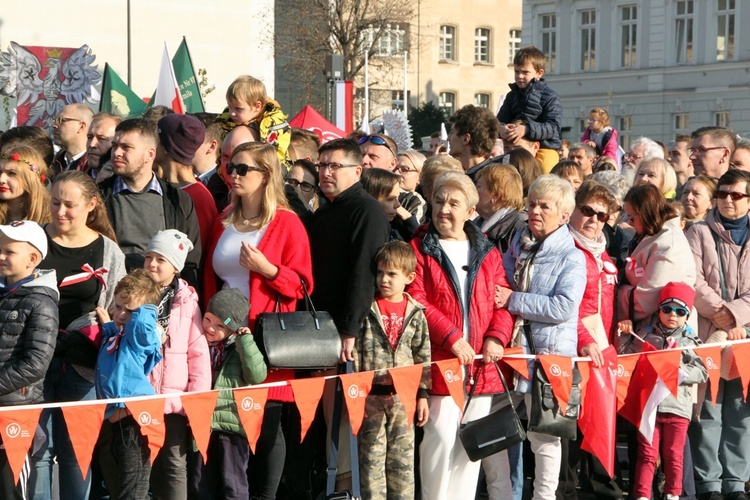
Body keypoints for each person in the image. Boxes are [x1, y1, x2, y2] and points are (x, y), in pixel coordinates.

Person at [203, 142, 313, 499]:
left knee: (266, 427)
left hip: (265, 336)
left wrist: (269, 270)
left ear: (266, 176)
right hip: (222, 337)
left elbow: (302, 285)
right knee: (225, 428)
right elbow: (211, 278)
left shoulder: (286, 222)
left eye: (243, 169)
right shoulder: (224, 220)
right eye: (230, 168)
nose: (233, 175)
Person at [408, 171, 513, 500]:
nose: (443, 209)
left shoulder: (488, 252)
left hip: (480, 367)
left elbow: (503, 301)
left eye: (454, 203)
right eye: (438, 201)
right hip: (441, 364)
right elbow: (416, 300)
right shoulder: (419, 248)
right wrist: (451, 336)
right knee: (438, 441)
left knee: (470, 451)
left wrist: (496, 337)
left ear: (471, 211)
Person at [32, 171, 126, 499]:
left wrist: (111, 324)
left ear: (91, 205)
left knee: (76, 453)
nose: (60, 212)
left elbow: (123, 304)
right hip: (35, 360)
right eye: (55, 202)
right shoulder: (34, 240)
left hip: (83, 363)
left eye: (69, 205)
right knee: (37, 451)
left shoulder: (108, 250)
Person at [495, 174, 587, 500]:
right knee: (496, 425)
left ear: (564, 215)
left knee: (544, 436)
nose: (534, 211)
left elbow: (563, 307)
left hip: (549, 358)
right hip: (513, 352)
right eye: (531, 204)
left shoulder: (573, 257)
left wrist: (513, 300)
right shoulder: (516, 244)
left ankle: (544, 497)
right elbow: (498, 281)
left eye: (544, 206)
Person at [686, 168, 750, 500]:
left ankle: (736, 483)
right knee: (708, 407)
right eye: (722, 193)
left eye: (736, 195)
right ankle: (709, 483)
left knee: (740, 409)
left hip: (745, 336)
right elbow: (692, 280)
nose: (727, 200)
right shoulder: (697, 231)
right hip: (708, 334)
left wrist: (737, 316)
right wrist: (723, 314)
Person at [353, 241, 430, 500]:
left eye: (392, 274)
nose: (384, 279)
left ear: (409, 278)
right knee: (371, 463)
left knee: (402, 464)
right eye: (380, 272)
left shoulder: (416, 313)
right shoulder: (367, 309)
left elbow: (423, 357)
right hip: (370, 398)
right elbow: (356, 354)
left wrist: (422, 395)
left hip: (403, 399)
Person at [618, 282, 707, 500]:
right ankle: (642, 495)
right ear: (659, 310)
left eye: (680, 311)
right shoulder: (645, 336)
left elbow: (702, 372)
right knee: (647, 454)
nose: (672, 315)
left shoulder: (690, 341)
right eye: (667, 309)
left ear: (687, 315)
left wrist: (678, 371)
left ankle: (673, 494)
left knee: (674, 455)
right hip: (650, 406)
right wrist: (623, 333)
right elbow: (625, 359)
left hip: (678, 407)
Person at [143, 230, 211, 500]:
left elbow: (198, 354)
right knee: (140, 465)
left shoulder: (187, 303)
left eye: (161, 259)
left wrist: (197, 401)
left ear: (176, 267)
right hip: (141, 396)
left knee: (173, 463)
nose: (152, 264)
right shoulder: (134, 295)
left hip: (174, 402)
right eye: (148, 257)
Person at [309, 138, 390, 360]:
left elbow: (365, 272)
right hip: (318, 323)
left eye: (334, 166)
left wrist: (349, 328)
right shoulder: (325, 211)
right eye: (322, 165)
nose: (325, 172)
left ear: (357, 171)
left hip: (344, 331)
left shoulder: (367, 211)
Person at [98, 118, 202, 288]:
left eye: (126, 147)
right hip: (114, 297)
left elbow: (191, 261)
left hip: (163, 300)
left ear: (150, 154)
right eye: (115, 146)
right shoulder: (97, 197)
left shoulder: (177, 200)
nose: (116, 153)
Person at [0, 221, 58, 499]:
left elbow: (36, 363)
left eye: (9, 251)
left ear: (32, 260)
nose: (0, 256)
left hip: (16, 410)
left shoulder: (41, 302)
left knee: (11, 486)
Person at [191, 288, 267, 498]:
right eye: (207, 319)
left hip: (232, 425)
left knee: (233, 484)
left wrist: (246, 343)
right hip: (203, 426)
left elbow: (257, 375)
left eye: (220, 326)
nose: (210, 328)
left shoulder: (238, 348)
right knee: (200, 484)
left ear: (233, 329)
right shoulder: (196, 344)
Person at [93, 269, 163, 500]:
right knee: (115, 490)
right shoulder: (115, 334)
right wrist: (109, 321)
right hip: (110, 422)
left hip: (134, 424)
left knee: (132, 494)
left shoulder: (141, 336)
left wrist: (146, 306)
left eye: (130, 311)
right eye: (118, 307)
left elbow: (141, 325)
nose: (122, 314)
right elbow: (114, 327)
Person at [618, 184, 696, 332]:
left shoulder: (669, 245)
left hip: (664, 331)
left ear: (645, 213)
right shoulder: (654, 235)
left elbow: (647, 299)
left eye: (631, 217)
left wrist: (619, 293)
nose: (629, 223)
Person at [156, 114, 218, 255]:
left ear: (167, 147)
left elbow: (200, 253)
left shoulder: (199, 197)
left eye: (155, 138)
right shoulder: (160, 186)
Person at [497, 46, 562, 174]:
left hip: (545, 147)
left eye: (525, 72)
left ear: (539, 73)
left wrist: (526, 129)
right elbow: (498, 121)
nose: (520, 76)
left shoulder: (549, 96)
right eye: (516, 71)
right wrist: (501, 129)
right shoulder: (512, 96)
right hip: (515, 146)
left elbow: (553, 126)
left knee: (546, 169)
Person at [223, 75, 292, 170]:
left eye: (238, 109)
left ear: (257, 107)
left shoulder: (274, 124)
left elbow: (275, 156)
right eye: (230, 107)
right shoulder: (229, 120)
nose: (232, 113)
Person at [476, 163, 526, 253]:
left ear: (496, 196)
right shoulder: (472, 226)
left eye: (479, 186)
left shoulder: (519, 233)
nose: (474, 191)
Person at [361, 168, 417, 241]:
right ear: (371, 198)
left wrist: (408, 218)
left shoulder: (396, 227)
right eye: (390, 199)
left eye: (398, 198)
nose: (397, 205)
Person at [447, 105, 501, 179]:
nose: (448, 138)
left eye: (452, 132)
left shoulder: (492, 179)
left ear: (466, 139)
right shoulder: (453, 174)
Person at [0, 146, 51, 224]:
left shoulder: (52, 217)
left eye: (12, 173)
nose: (1, 180)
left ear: (30, 179)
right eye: (0, 172)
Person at [51, 103, 94, 174]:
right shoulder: (55, 163)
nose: (54, 125)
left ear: (81, 127)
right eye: (55, 121)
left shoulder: (92, 168)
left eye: (62, 120)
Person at [84, 113, 121, 182]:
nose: (92, 144)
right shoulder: (77, 175)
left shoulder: (121, 185)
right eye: (89, 137)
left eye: (101, 138)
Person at [395, 149, 428, 224]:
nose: (396, 173)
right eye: (394, 168)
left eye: (404, 169)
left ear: (420, 177)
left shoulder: (416, 200)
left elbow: (415, 232)